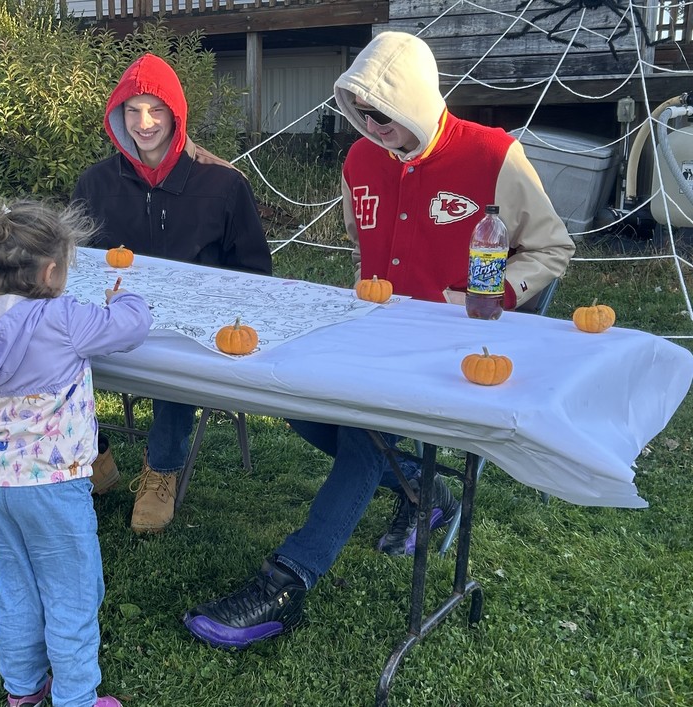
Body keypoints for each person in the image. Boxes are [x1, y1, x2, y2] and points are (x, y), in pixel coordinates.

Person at [183, 31, 576, 649]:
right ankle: (428, 492)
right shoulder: (359, 160)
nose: (371, 124)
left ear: (415, 99)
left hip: (454, 340)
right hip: (374, 332)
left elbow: (552, 248)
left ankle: (288, 578)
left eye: (383, 111)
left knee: (365, 438)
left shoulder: (495, 155)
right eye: (359, 111)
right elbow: (365, 241)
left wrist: (493, 294)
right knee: (299, 407)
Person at [0, 198, 152, 707]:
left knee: (15, 588)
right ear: (52, 270)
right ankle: (76, 698)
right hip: (57, 487)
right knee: (73, 595)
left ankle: (22, 691)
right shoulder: (61, 318)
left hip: (1, 485)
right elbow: (130, 327)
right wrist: (124, 298)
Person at [72, 53, 272, 534]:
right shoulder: (94, 183)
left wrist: (219, 306)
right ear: (117, 115)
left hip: (191, 322)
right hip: (112, 316)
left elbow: (255, 270)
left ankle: (161, 469)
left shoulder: (223, 184)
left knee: (178, 360)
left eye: (156, 110)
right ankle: (90, 449)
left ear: (176, 115)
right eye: (132, 110)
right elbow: (75, 266)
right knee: (52, 341)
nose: (144, 123)